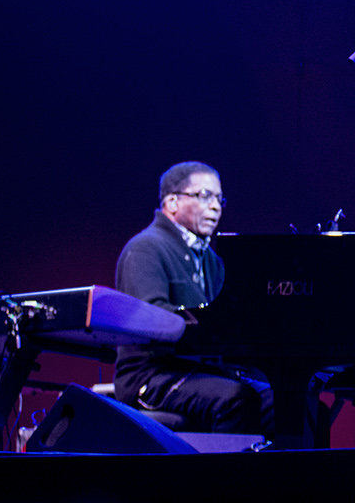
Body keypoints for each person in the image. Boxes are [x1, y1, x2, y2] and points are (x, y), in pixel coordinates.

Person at [114, 161, 272, 433]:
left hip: (200, 371)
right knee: (235, 399)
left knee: (279, 399)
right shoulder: (145, 249)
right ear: (172, 203)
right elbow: (152, 319)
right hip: (151, 375)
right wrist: (208, 325)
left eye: (219, 198)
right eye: (204, 196)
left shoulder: (213, 261)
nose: (215, 206)